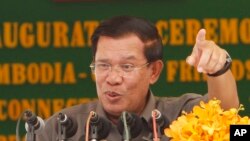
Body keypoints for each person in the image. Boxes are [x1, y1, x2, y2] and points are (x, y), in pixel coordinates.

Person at [36, 15, 239, 141]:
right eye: (103, 65)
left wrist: (218, 69)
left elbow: (228, 121)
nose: (113, 78)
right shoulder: (63, 127)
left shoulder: (180, 116)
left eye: (127, 66)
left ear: (154, 72)